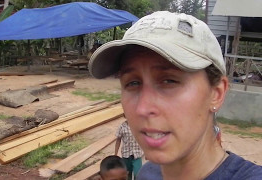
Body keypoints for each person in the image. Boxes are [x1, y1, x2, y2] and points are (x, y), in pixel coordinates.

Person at [88, 11, 262, 179]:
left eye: (169, 81)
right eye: (132, 83)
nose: (142, 108)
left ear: (216, 93)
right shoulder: (147, 173)